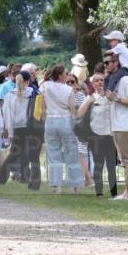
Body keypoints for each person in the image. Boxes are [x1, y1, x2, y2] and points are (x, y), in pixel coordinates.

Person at [0, 70, 42, 191]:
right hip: (34, 128)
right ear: (28, 81)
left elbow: (8, 115)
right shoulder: (36, 93)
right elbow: (40, 112)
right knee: (34, 157)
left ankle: (0, 179)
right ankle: (35, 185)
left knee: (13, 155)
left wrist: (9, 131)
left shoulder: (10, 95)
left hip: (19, 129)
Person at [40, 64, 81, 194]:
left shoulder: (46, 86)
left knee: (53, 154)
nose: (68, 75)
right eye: (66, 73)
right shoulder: (69, 90)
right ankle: (73, 185)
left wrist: (44, 120)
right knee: (71, 153)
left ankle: (56, 186)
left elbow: (43, 106)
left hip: (50, 120)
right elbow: (72, 109)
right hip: (65, 120)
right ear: (60, 75)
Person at [105, 51, 128, 200]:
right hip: (118, 125)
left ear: (116, 63)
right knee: (124, 159)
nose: (106, 65)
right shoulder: (115, 80)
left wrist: (117, 99)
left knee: (127, 160)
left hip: (124, 125)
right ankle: (127, 191)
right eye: (105, 63)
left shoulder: (125, 79)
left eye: (108, 62)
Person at [77, 73, 118, 198]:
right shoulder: (90, 98)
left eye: (102, 80)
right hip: (95, 135)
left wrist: (113, 98)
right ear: (93, 83)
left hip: (110, 135)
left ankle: (114, 193)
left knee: (111, 166)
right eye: (97, 80)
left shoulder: (110, 96)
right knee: (98, 165)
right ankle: (99, 193)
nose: (100, 82)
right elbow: (79, 114)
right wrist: (89, 101)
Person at [68, 74, 93, 188]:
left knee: (79, 154)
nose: (70, 84)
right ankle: (82, 180)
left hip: (79, 129)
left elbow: (85, 112)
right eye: (67, 82)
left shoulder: (81, 96)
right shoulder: (63, 95)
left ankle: (86, 180)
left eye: (72, 82)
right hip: (66, 128)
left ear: (76, 83)